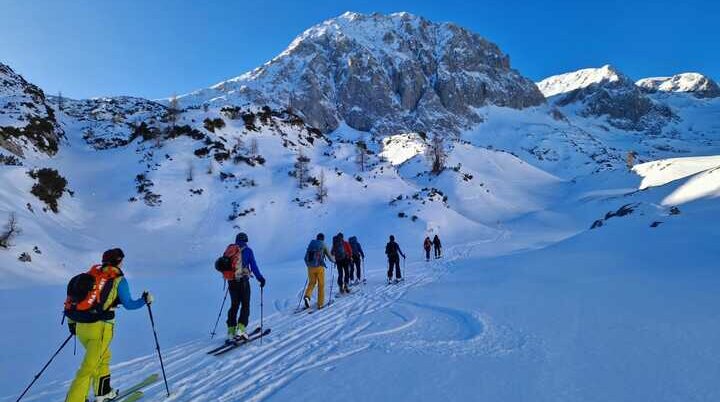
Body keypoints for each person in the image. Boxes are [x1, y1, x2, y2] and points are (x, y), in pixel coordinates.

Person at [65, 248, 153, 402]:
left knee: (103, 357)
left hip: (80, 327)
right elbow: (129, 305)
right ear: (118, 261)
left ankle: (103, 392)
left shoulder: (91, 275)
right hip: (101, 329)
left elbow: (73, 300)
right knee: (88, 368)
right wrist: (145, 300)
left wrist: (72, 324)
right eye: (122, 260)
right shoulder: (118, 279)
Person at [222, 232, 266, 343]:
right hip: (243, 281)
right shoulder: (248, 251)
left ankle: (231, 331)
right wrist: (260, 278)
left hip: (231, 281)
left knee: (234, 305)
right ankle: (241, 330)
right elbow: (254, 266)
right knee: (245, 304)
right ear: (246, 240)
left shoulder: (229, 250)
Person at [303, 233, 335, 309]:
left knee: (311, 283)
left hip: (310, 267)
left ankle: (307, 296)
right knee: (321, 285)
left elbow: (305, 258)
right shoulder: (323, 245)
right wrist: (334, 261)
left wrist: (309, 265)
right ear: (323, 239)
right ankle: (320, 304)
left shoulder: (311, 244)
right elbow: (330, 257)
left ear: (317, 238)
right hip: (319, 267)